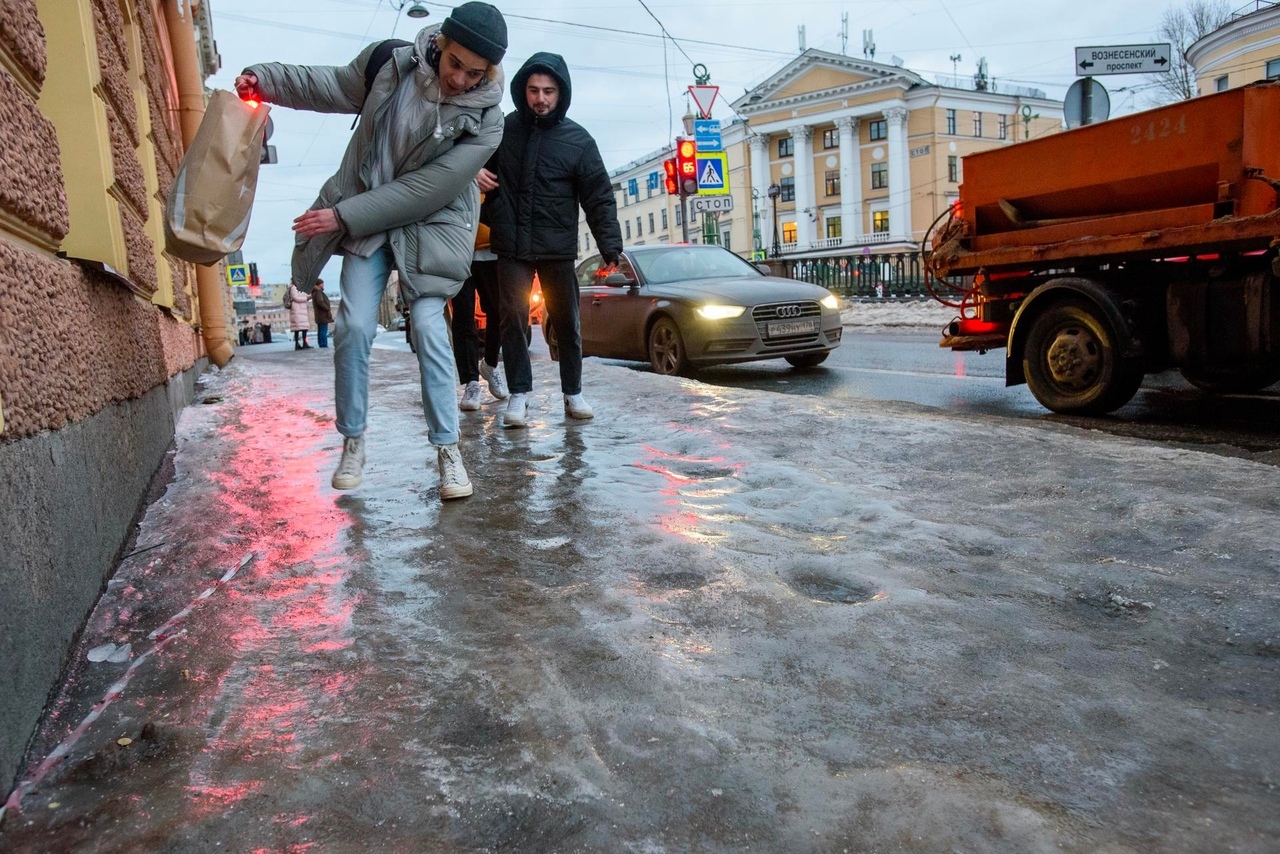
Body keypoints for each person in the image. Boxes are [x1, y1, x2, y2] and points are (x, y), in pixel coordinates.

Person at [235, 2, 507, 498]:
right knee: (354, 326)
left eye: (475, 72)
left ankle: (449, 452)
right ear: (440, 45)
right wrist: (265, 78)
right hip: (368, 214)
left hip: (433, 223)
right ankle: (353, 440)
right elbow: (331, 85)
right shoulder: (390, 64)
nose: (462, 80)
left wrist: (342, 217)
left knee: (428, 327)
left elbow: (430, 188)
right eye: (455, 64)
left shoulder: (489, 118)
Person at [478, 52, 622, 429]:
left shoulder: (578, 140)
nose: (541, 98)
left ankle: (572, 392)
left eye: (549, 91)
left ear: (561, 93)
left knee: (566, 320)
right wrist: (475, 174)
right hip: (511, 244)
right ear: (522, 91)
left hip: (557, 245)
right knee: (512, 318)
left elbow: (599, 195)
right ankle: (519, 395)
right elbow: (467, 158)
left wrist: (610, 246)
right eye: (533, 90)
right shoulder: (502, 130)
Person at [452, 210, 507, 411]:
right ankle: (471, 383)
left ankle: (490, 364)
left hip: (493, 248)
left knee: (500, 311)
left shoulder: (495, 176)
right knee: (463, 315)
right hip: (460, 248)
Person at [287, 282, 312, 349]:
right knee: (297, 328)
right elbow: (295, 298)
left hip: (302, 310)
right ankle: (297, 344)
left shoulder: (301, 288)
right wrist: (305, 298)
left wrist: (309, 296)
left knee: (304, 328)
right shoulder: (293, 287)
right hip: (297, 310)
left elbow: (304, 296)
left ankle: (305, 343)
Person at [312, 279, 333, 348]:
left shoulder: (315, 292)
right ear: (319, 284)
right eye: (322, 283)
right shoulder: (318, 292)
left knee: (321, 330)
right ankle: (323, 344)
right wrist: (327, 308)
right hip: (322, 314)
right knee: (323, 330)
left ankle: (321, 343)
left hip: (319, 315)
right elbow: (320, 302)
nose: (323, 285)